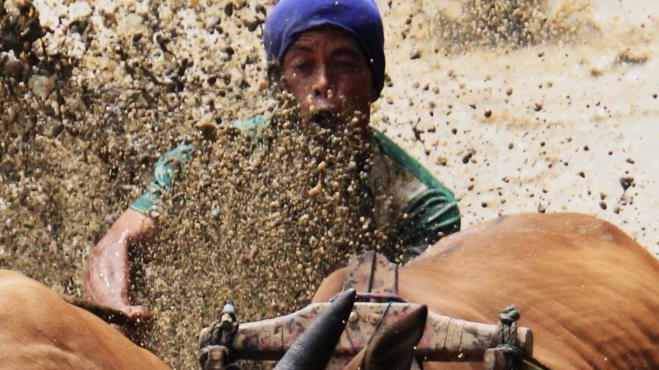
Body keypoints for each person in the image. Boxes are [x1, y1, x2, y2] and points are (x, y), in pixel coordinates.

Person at [81, 0, 461, 324]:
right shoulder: (213, 161)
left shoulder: (421, 206)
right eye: (303, 67)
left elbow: (412, 325)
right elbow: (119, 241)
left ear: (374, 82)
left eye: (344, 65)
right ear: (279, 85)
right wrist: (116, 308)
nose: (322, 83)